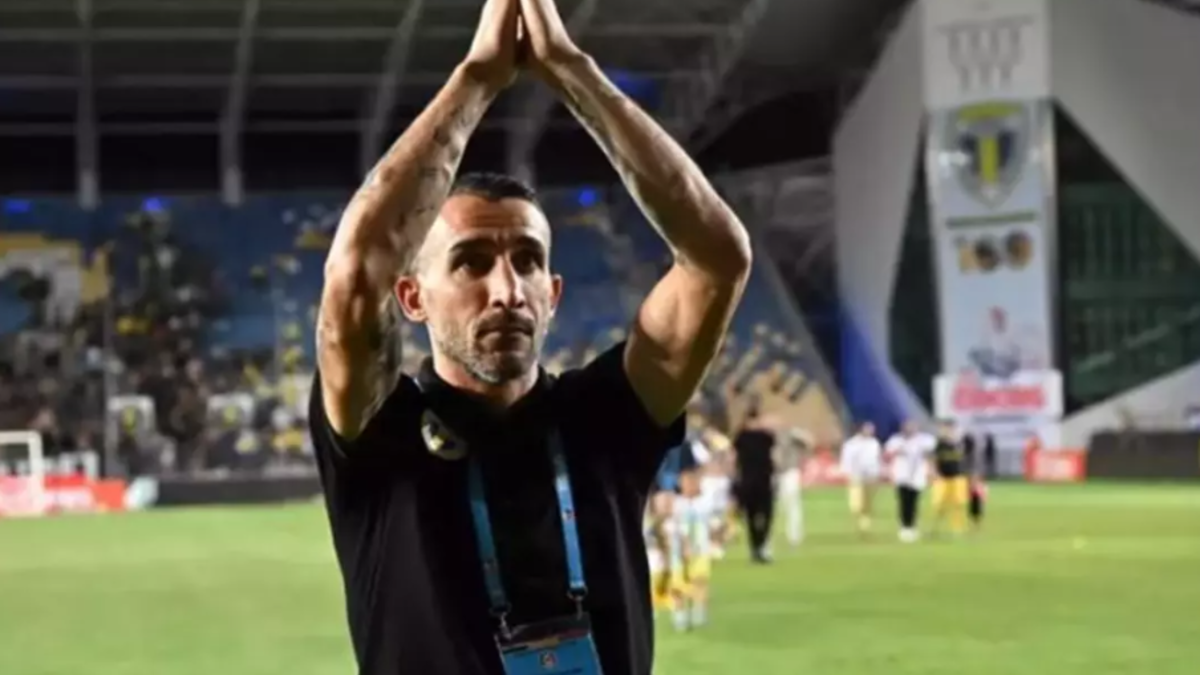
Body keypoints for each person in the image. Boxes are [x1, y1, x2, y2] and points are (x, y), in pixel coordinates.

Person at [308, 1, 752, 673]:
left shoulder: (605, 417)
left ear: (554, 293)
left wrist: (573, 71)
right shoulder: (379, 430)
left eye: (528, 260)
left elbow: (718, 259)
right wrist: (477, 78)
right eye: (471, 262)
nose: (508, 289)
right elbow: (354, 273)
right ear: (412, 297)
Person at [733, 405, 776, 563]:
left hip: (752, 482)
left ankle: (757, 546)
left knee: (755, 517)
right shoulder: (762, 436)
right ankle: (759, 546)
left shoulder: (743, 437)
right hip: (759, 482)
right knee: (763, 515)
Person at [884, 420, 936, 543]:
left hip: (917, 476)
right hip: (901, 475)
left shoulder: (924, 440)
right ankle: (904, 527)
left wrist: (931, 468)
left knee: (914, 502)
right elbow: (887, 455)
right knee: (903, 501)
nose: (910, 429)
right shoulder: (896, 441)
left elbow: (931, 453)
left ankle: (912, 526)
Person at [839, 421, 883, 536]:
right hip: (856, 475)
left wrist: (878, 473)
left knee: (868, 502)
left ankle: (864, 526)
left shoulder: (874, 443)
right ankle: (859, 517)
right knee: (856, 502)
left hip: (870, 475)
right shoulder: (852, 444)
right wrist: (846, 472)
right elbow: (847, 459)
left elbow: (876, 460)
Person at [931, 420, 970, 536]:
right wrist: (934, 471)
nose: (948, 431)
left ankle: (957, 528)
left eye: (950, 429)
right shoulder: (940, 443)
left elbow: (965, 457)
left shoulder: (960, 442)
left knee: (958, 503)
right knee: (939, 503)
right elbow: (934, 458)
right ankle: (936, 526)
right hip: (942, 477)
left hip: (958, 477)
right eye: (945, 429)